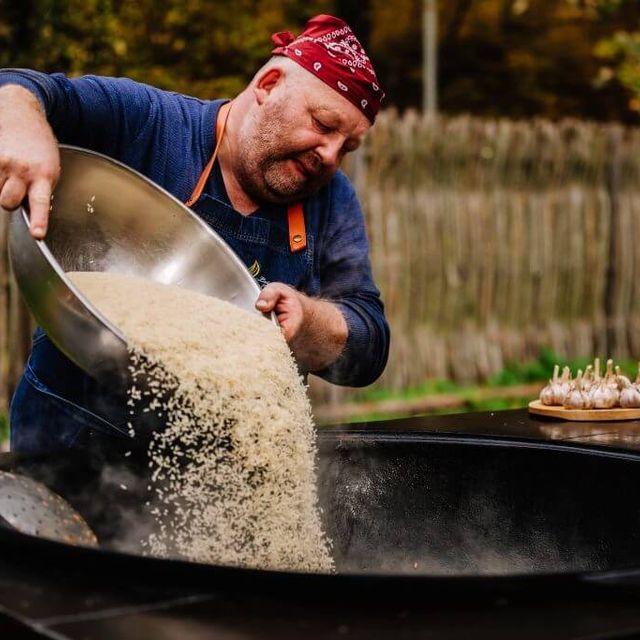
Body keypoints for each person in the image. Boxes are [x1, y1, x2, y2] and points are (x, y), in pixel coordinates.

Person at [0, 14, 390, 452]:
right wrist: (19, 125)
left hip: (217, 459)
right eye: (322, 124)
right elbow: (21, 87)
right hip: (71, 435)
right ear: (268, 85)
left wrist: (309, 322)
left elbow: (370, 342)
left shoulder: (331, 200)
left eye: (348, 147)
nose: (331, 156)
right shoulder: (151, 122)